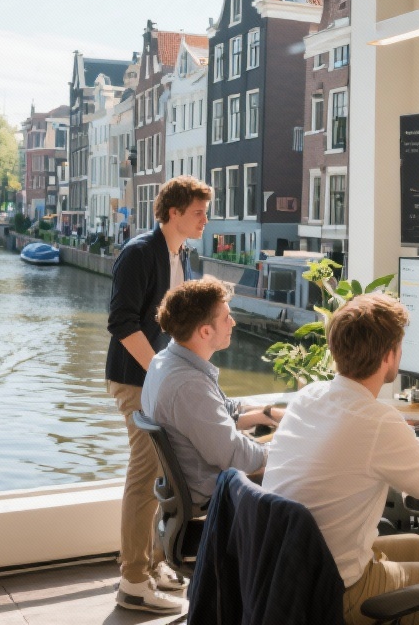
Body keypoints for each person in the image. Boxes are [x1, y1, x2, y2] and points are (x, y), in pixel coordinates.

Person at [264, 293, 419, 625]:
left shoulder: (308, 396)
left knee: (416, 545)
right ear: (388, 356)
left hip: (286, 578)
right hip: (335, 594)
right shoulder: (377, 421)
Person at [105, 175, 211, 614]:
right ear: (173, 213)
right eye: (198, 212)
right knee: (145, 472)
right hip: (135, 379)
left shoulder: (177, 255)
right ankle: (132, 581)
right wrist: (160, 373)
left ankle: (149, 564)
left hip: (153, 379)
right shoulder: (139, 254)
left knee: (160, 475)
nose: (205, 219)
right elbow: (122, 322)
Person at [141, 276, 284, 507]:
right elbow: (234, 455)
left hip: (196, 484)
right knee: (307, 469)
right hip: (214, 494)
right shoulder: (188, 386)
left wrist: (271, 413)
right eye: (227, 318)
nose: (233, 323)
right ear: (205, 332)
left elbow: (223, 407)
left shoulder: (166, 361)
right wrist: (283, 450)